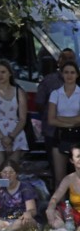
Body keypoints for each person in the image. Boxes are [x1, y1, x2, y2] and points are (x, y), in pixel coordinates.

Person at [36, 48, 76, 181]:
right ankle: (60, 199)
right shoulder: (49, 81)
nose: (67, 61)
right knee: (57, 172)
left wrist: (63, 120)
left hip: (77, 134)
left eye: (71, 58)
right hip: (53, 134)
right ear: (58, 61)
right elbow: (40, 104)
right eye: (64, 58)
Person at [0, 60, 28, 177]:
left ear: (10, 73)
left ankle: (11, 195)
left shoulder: (19, 92)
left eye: (3, 72)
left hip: (15, 132)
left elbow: (23, 119)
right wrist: (3, 138)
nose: (0, 75)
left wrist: (11, 137)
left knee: (11, 175)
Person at [47, 61, 80, 188]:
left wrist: (61, 119)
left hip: (78, 137)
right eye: (66, 72)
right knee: (59, 178)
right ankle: (60, 206)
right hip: (60, 136)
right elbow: (51, 119)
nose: (69, 75)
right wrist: (74, 121)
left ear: (77, 75)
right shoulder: (55, 94)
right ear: (62, 74)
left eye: (72, 72)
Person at [45, 143, 80, 231]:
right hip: (76, 216)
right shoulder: (69, 179)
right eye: (78, 156)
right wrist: (50, 209)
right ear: (72, 160)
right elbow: (55, 198)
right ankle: (64, 230)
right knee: (55, 212)